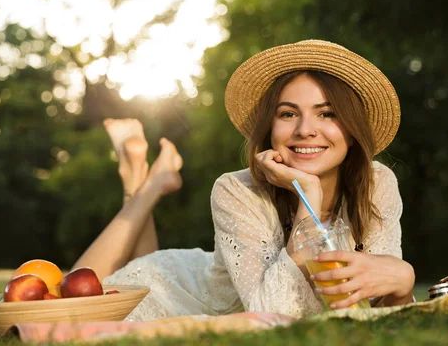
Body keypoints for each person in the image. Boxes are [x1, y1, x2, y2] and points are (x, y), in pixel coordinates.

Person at [74, 40, 415, 321]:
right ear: (270, 130)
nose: (305, 129)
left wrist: (402, 284)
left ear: (353, 132)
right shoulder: (235, 190)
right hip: (174, 294)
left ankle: (142, 179)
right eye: (288, 114)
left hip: (203, 284)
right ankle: (148, 186)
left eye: (327, 113)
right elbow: (271, 318)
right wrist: (307, 197)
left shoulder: (377, 183)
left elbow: (379, 313)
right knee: (58, 306)